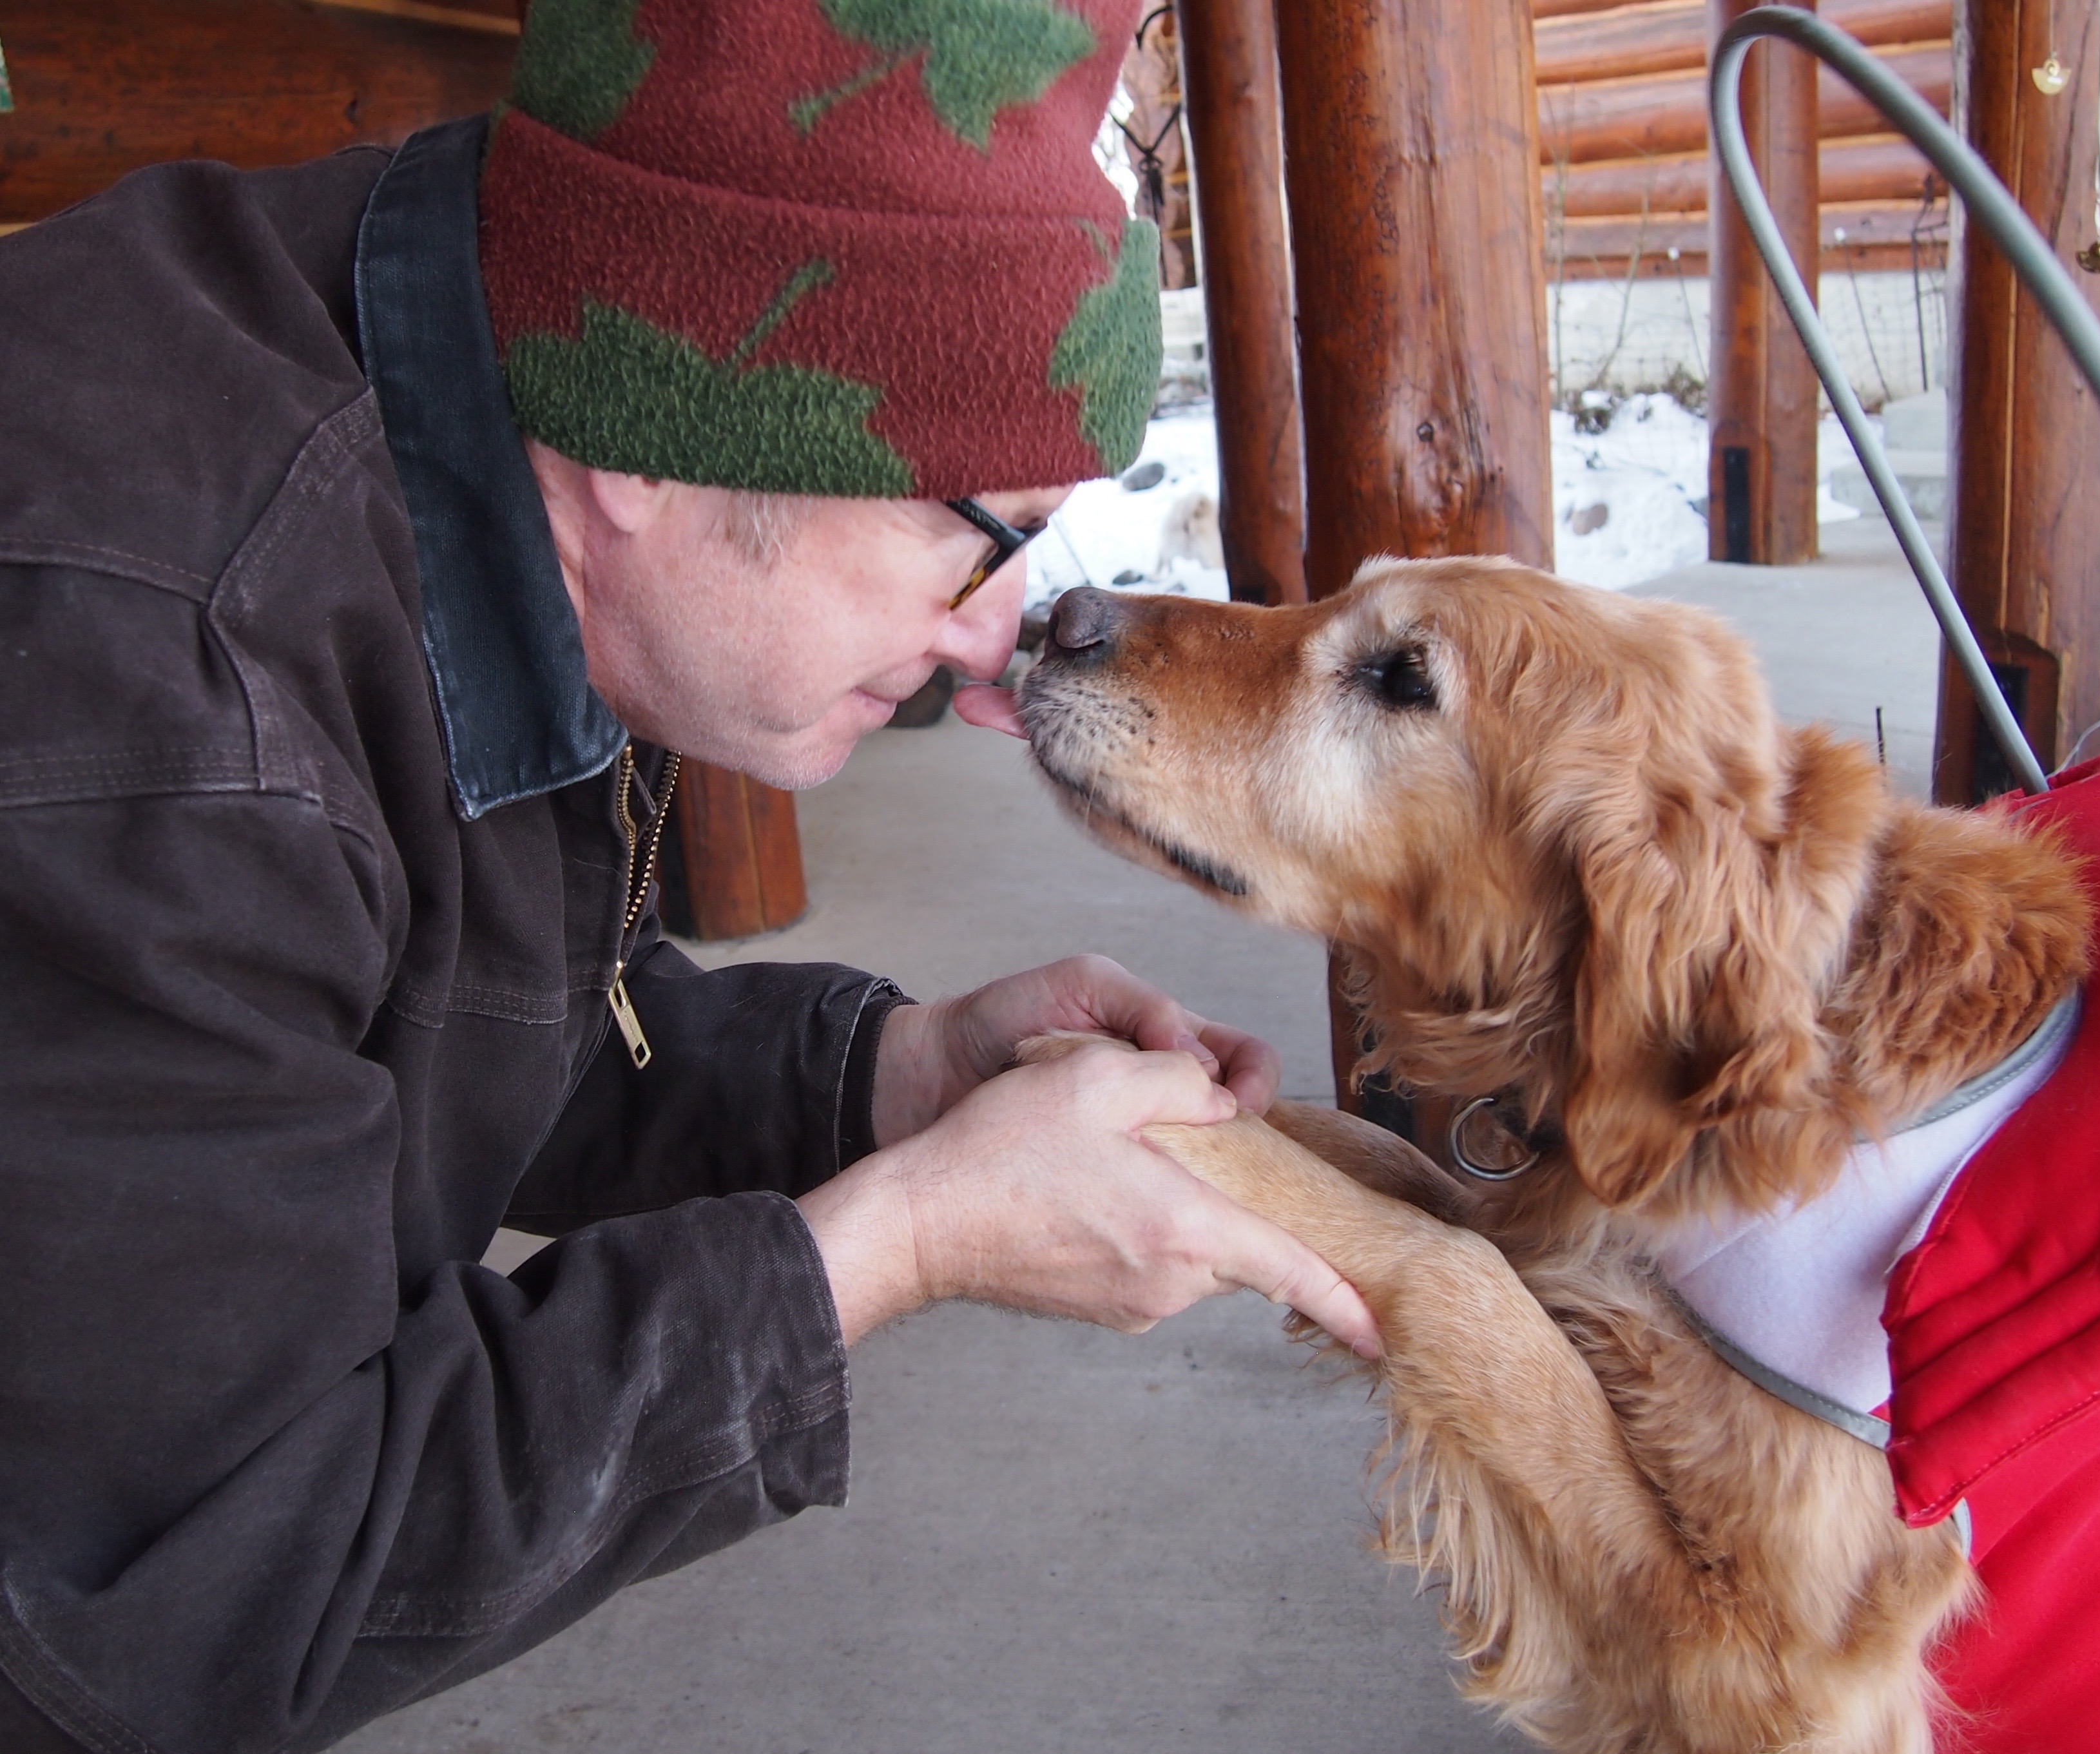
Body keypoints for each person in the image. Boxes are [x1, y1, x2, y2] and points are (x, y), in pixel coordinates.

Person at [0, 1, 1376, 1748]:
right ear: (667, 413)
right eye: (981, 535)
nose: (991, 655)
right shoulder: (154, 707)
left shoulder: (505, 382)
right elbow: (208, 1580)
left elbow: (420, 1023)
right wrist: (896, 1241)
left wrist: (889, 1079)